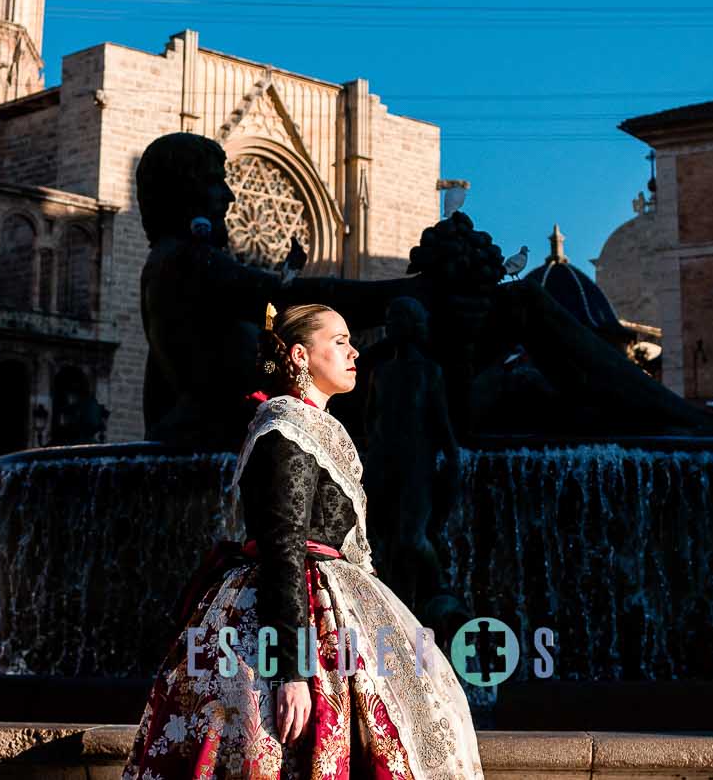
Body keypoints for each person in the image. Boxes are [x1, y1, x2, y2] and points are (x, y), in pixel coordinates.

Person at [120, 303, 483, 780]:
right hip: (293, 612)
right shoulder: (285, 429)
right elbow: (283, 547)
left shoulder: (313, 426)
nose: (355, 351)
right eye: (339, 341)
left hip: (329, 600)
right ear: (300, 354)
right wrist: (289, 672)